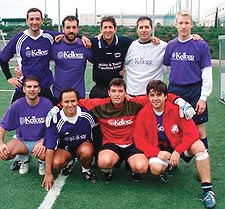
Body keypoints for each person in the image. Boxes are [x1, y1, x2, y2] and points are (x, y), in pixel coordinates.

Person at [45, 78, 195, 182]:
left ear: (125, 92)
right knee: (104, 162)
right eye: (114, 91)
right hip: (111, 144)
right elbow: (74, 102)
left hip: (132, 144)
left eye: (120, 91)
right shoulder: (100, 104)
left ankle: (133, 168)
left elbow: (160, 96)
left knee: (142, 167)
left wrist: (180, 101)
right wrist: (55, 108)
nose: (117, 94)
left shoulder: (134, 103)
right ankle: (108, 172)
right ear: (109, 93)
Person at [133, 80, 216, 209]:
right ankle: (167, 167)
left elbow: (192, 134)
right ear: (148, 97)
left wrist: (177, 151)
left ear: (166, 96)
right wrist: (157, 153)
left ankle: (207, 191)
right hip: (161, 150)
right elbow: (139, 141)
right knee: (155, 169)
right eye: (152, 95)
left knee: (200, 147)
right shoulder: (143, 113)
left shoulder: (177, 110)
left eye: (159, 95)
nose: (155, 99)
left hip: (179, 146)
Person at [163, 10, 212, 150]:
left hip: (195, 91)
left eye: (186, 23)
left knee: (199, 128)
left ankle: (203, 159)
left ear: (192, 25)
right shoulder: (170, 45)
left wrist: (203, 98)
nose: (183, 26)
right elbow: (165, 68)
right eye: (181, 23)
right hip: (175, 91)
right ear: (176, 25)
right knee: (172, 127)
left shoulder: (201, 45)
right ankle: (171, 161)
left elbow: (207, 73)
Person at [42, 88, 98, 191]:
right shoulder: (55, 119)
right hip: (65, 149)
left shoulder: (87, 115)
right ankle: (69, 162)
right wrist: (48, 173)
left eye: (73, 101)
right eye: (66, 102)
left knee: (87, 151)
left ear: (78, 101)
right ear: (61, 103)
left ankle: (86, 170)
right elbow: (50, 147)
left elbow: (97, 132)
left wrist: (96, 154)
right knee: (56, 163)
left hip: (82, 147)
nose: (70, 104)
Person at [0, 8, 58, 103]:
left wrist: (83, 37)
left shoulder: (49, 36)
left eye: (37, 19)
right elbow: (2, 58)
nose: (34, 22)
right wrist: (9, 77)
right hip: (24, 89)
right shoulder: (19, 39)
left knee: (49, 116)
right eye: (31, 19)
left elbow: (68, 36)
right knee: (16, 116)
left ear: (42, 21)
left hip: (44, 88)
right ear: (27, 21)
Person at [0, 75, 53, 175]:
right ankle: (24, 158)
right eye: (29, 87)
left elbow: (53, 128)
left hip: (41, 142)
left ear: (39, 89)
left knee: (52, 156)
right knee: (4, 153)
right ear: (24, 89)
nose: (32, 89)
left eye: (35, 86)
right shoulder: (17, 105)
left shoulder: (47, 104)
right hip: (23, 142)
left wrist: (43, 141)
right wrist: (1, 143)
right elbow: (2, 126)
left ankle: (42, 161)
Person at [50, 15, 93, 103]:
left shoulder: (85, 45)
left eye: (74, 27)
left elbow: (98, 61)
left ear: (78, 29)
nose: (71, 30)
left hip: (79, 95)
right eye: (68, 27)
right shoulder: (55, 45)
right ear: (63, 29)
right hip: (58, 95)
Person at [124, 16, 168, 97]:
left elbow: (180, 45)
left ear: (152, 29)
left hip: (153, 97)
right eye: (141, 27)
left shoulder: (163, 46)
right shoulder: (130, 46)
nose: (144, 30)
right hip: (132, 95)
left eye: (147, 27)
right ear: (137, 30)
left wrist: (194, 37)